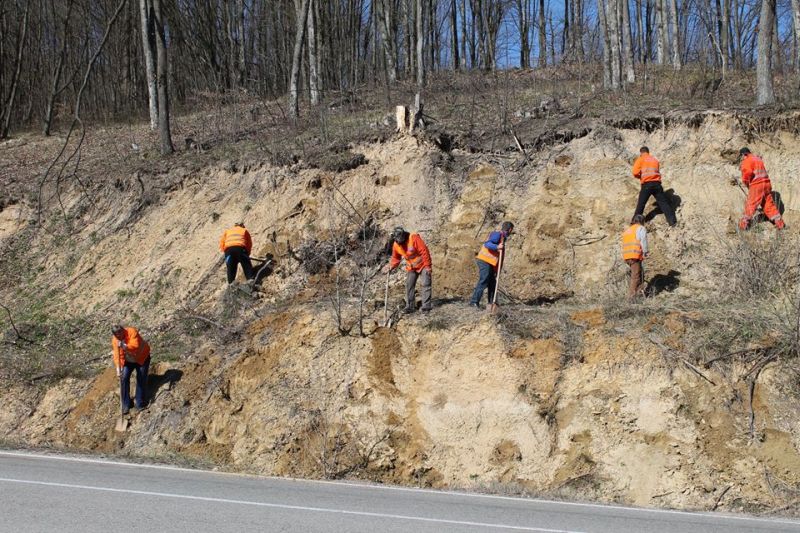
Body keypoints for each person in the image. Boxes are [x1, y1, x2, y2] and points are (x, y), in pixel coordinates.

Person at [382, 227, 432, 313]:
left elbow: (424, 251)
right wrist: (390, 266)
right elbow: (395, 258)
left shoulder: (413, 238)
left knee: (425, 284)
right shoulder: (396, 245)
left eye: (401, 241)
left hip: (423, 264)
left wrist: (428, 266)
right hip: (411, 267)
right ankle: (410, 306)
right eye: (398, 241)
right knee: (409, 285)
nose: (400, 243)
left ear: (404, 236)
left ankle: (426, 306)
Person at [738, 147, 785, 230]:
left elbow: (747, 174)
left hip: (757, 186)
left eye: (741, 157)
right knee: (768, 205)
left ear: (744, 154)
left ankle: (743, 225)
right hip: (766, 184)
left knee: (751, 204)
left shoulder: (747, 160)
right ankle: (780, 224)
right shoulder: (758, 159)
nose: (741, 159)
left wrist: (746, 183)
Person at [470, 221, 514, 309]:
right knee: (484, 280)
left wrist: (496, 270)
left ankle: (492, 303)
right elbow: (487, 244)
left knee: (492, 283)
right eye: (511, 231)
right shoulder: (497, 235)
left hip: (490, 263)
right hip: (484, 260)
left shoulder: (502, 238)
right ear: (510, 229)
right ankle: (474, 302)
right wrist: (497, 247)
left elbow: (498, 258)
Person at [631, 147, 677, 227]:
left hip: (646, 185)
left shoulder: (641, 159)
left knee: (641, 204)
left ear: (641, 153)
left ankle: (634, 224)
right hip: (657, 184)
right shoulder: (655, 160)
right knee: (664, 204)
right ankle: (672, 222)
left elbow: (635, 172)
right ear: (648, 152)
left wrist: (640, 177)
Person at [112, 325, 151, 415]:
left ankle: (140, 403)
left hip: (142, 358)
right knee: (124, 377)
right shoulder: (115, 340)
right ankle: (126, 404)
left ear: (123, 330)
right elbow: (118, 355)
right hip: (129, 360)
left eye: (121, 334)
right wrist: (119, 368)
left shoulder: (132, 332)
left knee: (141, 378)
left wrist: (124, 345)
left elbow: (135, 345)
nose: (120, 337)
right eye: (117, 336)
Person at [621, 214, 648, 299]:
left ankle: (639, 294)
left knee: (639, 274)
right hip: (635, 255)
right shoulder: (640, 228)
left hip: (627, 256)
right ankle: (630, 298)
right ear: (641, 221)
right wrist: (645, 251)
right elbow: (643, 240)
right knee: (635, 277)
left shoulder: (628, 230)